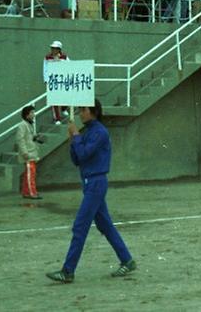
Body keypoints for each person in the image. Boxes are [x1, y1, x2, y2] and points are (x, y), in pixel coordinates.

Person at [46, 100, 136, 283]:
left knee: (80, 226)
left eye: (83, 110)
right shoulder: (90, 131)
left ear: (93, 111)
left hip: (95, 182)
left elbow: (85, 154)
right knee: (105, 225)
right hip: (91, 182)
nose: (80, 113)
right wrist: (73, 140)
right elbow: (77, 159)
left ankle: (68, 270)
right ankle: (127, 260)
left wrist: (77, 136)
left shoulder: (99, 132)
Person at [15, 105, 42, 200]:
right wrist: (24, 152)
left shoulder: (29, 124)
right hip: (28, 154)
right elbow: (20, 139)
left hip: (31, 153)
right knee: (31, 175)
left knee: (28, 174)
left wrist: (35, 137)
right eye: (32, 113)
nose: (34, 115)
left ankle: (26, 192)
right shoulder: (22, 125)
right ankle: (32, 193)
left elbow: (28, 138)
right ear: (27, 115)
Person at [44, 41, 68, 125]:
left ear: (59, 49)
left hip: (62, 80)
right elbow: (45, 69)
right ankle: (57, 119)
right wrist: (46, 80)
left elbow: (69, 66)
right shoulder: (47, 57)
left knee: (65, 95)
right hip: (52, 81)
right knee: (54, 100)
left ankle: (64, 108)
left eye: (55, 48)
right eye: (52, 48)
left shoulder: (64, 57)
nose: (53, 50)